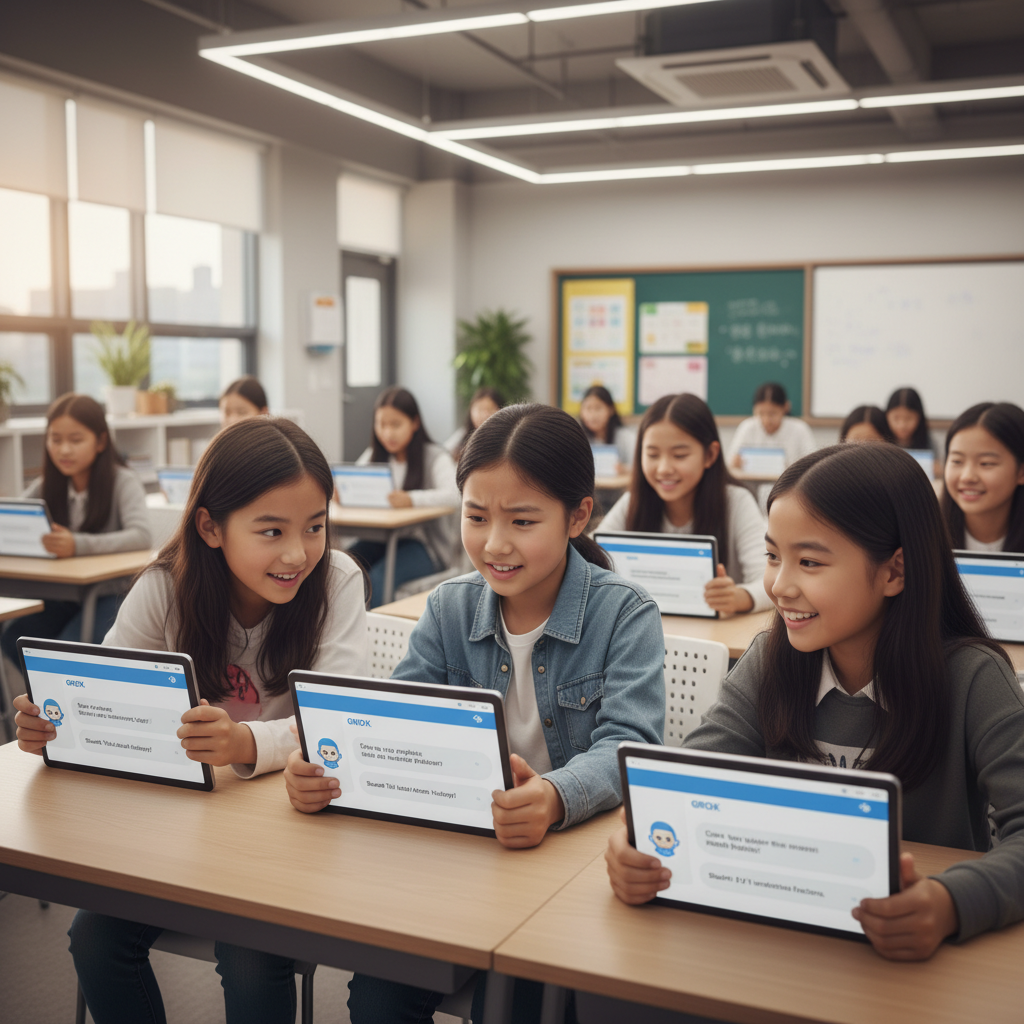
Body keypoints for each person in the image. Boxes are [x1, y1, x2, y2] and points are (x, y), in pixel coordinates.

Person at [284, 403, 666, 1023]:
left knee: (522, 1004)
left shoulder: (625, 613)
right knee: (376, 997)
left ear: (578, 515)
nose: (495, 543)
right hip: (459, 859)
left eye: (522, 520)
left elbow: (627, 744)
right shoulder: (449, 609)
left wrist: (553, 795)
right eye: (477, 516)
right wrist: (323, 765)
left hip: (567, 866)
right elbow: (396, 719)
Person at [605, 442, 1024, 961]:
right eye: (773, 556)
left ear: (895, 571)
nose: (780, 587)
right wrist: (639, 840)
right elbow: (690, 774)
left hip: (902, 957)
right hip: (791, 930)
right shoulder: (772, 657)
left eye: (809, 562)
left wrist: (948, 902)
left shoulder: (973, 677)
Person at [13, 416, 369, 1024]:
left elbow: (341, 721)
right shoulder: (165, 586)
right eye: (271, 530)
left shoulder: (337, 581)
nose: (297, 552)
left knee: (253, 954)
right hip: (179, 826)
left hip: (293, 827)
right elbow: (105, 691)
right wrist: (54, 724)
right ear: (210, 526)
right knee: (94, 939)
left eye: (315, 527)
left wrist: (241, 742)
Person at [0, 394, 150, 663]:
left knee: (66, 651)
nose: (64, 450)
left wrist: (77, 545)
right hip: (62, 594)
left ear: (101, 441)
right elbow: (13, 516)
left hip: (110, 594)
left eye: (76, 440)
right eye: (55, 440)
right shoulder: (46, 484)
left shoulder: (122, 481)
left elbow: (141, 536)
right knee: (14, 636)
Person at [600, 393, 771, 615]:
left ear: (710, 454)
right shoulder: (633, 502)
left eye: (679, 455)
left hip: (717, 641)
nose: (663, 469)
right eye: (652, 455)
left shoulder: (736, 502)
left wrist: (740, 597)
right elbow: (591, 560)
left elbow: (771, 582)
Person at [351, 387, 460, 607]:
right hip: (380, 538)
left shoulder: (434, 456)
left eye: (396, 425)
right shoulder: (374, 455)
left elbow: (455, 495)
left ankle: (374, 638)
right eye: (381, 424)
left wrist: (411, 499)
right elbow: (353, 479)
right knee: (344, 568)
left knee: (377, 582)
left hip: (426, 546)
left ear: (415, 423)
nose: (388, 433)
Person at [941, 401, 1024, 552]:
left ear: (1021, 472)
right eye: (957, 461)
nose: (967, 477)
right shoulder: (924, 533)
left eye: (986, 463)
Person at [727, 382, 815, 471]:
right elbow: (730, 462)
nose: (766, 420)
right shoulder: (747, 427)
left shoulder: (800, 429)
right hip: (751, 484)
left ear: (786, 407)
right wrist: (735, 462)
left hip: (788, 484)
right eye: (760, 413)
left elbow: (813, 465)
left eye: (772, 414)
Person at [579, 384, 636, 470]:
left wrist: (625, 469)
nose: (592, 415)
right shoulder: (578, 438)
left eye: (598, 408)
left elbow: (639, 468)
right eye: (588, 408)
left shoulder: (627, 437)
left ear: (611, 410)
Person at [444, 386, 504, 460]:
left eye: (489, 409)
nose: (484, 414)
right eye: (480, 409)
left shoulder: (505, 439)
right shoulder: (462, 435)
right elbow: (444, 452)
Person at [886, 387, 933, 452]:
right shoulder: (879, 440)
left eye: (908, 418)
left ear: (919, 417)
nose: (902, 425)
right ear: (887, 415)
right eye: (896, 418)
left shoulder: (930, 444)